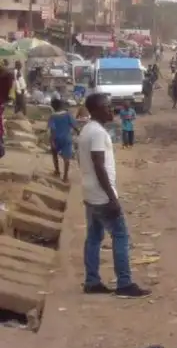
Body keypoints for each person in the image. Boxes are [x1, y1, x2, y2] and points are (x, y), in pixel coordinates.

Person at [77, 93, 151, 298]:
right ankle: (124, 283)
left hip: (90, 192)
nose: (111, 110)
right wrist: (112, 197)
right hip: (102, 195)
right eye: (107, 107)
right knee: (120, 236)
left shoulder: (86, 131)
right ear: (96, 109)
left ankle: (92, 281)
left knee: (93, 237)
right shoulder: (98, 134)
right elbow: (99, 165)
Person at [48, 98, 79, 181]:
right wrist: (79, 133)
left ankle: (57, 171)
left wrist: (52, 141)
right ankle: (65, 177)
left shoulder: (52, 116)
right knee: (66, 158)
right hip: (66, 138)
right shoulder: (68, 114)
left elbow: (52, 130)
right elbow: (75, 126)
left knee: (54, 154)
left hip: (56, 139)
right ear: (62, 106)